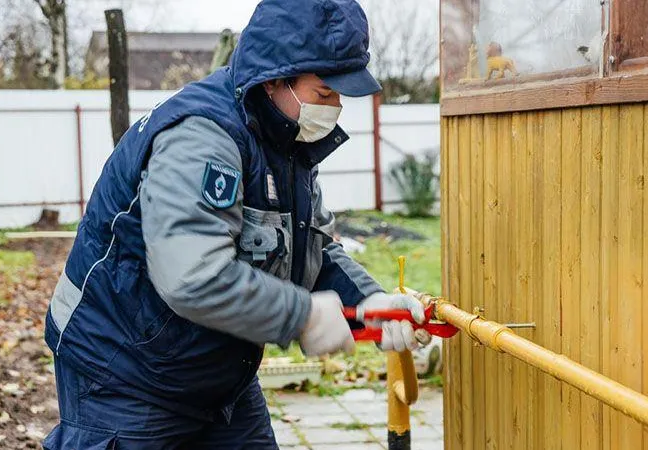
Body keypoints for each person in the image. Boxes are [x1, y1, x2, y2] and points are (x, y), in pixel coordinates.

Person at [43, 0, 429, 448]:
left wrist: (370, 302)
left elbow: (312, 248)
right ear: (276, 79)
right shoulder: (202, 137)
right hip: (123, 372)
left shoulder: (286, 139)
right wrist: (302, 316)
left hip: (215, 370)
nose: (337, 106)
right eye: (326, 93)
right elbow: (193, 275)